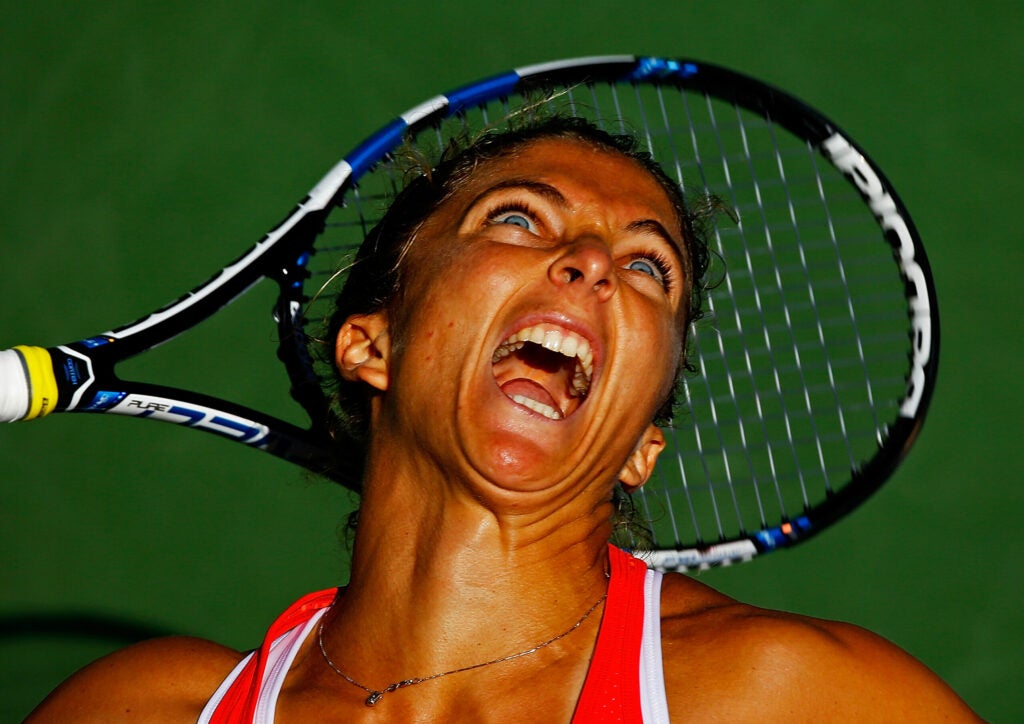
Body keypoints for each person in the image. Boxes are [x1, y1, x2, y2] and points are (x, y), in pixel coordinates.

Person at [27, 117, 981, 722]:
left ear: (644, 448)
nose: (593, 264)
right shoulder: (143, 709)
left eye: (650, 268)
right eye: (519, 219)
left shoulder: (789, 697)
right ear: (372, 345)